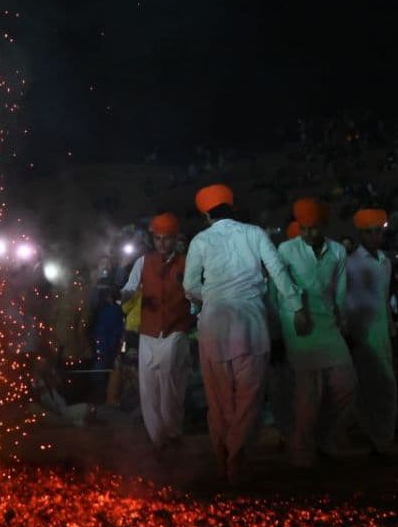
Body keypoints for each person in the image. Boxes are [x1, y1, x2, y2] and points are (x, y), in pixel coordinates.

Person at [184, 184, 303, 482]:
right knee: (249, 398)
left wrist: (209, 298)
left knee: (219, 399)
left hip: (213, 326)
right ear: (231, 208)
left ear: (207, 215)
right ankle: (236, 453)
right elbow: (277, 271)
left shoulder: (200, 240)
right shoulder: (255, 233)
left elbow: (188, 286)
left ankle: (223, 453)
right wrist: (296, 306)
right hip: (250, 325)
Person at [277, 198, 356, 468]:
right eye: (303, 228)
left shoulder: (338, 252)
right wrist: (296, 310)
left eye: (314, 228)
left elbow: (341, 290)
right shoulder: (286, 249)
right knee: (307, 395)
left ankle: (326, 438)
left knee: (346, 384)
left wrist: (342, 317)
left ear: (325, 225)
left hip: (328, 323)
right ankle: (301, 450)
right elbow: (280, 288)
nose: (309, 234)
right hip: (298, 323)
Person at [120, 212, 193, 449]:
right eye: (157, 238)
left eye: (166, 239)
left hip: (176, 330)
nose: (161, 243)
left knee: (171, 385)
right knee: (149, 388)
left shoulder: (188, 262)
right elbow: (130, 288)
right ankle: (158, 440)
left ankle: (172, 432)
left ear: (175, 239)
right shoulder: (143, 262)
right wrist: (124, 294)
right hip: (148, 332)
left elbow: (196, 294)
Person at [345, 209, 397, 457]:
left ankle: (382, 438)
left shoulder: (385, 260)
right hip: (361, 332)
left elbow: (384, 299)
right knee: (367, 386)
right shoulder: (350, 263)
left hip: (382, 330)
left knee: (385, 385)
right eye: (370, 232)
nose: (376, 236)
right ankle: (377, 438)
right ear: (360, 234)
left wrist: (390, 325)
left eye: (379, 231)